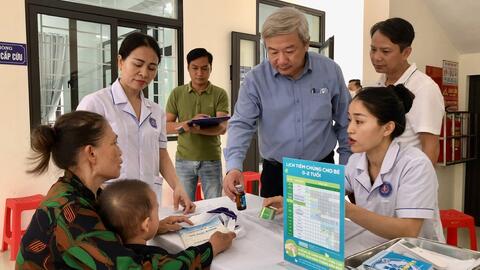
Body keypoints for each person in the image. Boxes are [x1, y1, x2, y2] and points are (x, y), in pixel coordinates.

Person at [17, 111, 216, 269]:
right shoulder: (71, 212)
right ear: (91, 153)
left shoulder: (82, 192)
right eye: (114, 143)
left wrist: (153, 226)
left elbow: (105, 236)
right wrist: (210, 248)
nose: (120, 151)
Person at [264, 85, 445, 255]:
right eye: (350, 120)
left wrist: (347, 209)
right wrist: (291, 200)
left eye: (359, 121)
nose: (349, 129)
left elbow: (408, 230)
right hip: (377, 248)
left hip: (420, 255)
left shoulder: (415, 164)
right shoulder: (357, 161)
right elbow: (324, 190)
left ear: (387, 128)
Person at [223, 7, 351, 199]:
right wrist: (233, 166)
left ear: (306, 44)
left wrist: (347, 168)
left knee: (324, 228)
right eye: (272, 52)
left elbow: (346, 123)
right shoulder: (255, 79)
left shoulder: (329, 71)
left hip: (321, 169)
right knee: (272, 228)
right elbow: (241, 124)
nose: (281, 60)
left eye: (289, 51)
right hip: (276, 175)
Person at [77, 32, 194, 213]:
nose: (144, 73)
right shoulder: (96, 103)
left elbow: (161, 154)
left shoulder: (155, 111)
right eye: (138, 64)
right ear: (120, 61)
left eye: (152, 67)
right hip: (110, 202)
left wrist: (177, 186)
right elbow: (79, 158)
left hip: (148, 199)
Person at [98, 179, 235, 269]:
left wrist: (158, 226)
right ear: (146, 225)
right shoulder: (152, 258)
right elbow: (180, 265)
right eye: (156, 211)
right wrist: (212, 246)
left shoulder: (108, 251)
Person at [370, 17, 445, 164]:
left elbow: (431, 148)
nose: (376, 57)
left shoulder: (424, 88)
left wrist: (420, 185)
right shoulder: (378, 85)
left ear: (406, 53)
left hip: (407, 180)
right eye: (373, 49)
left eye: (385, 51)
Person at [166, 48, 229, 200]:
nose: (199, 73)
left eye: (204, 68)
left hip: (211, 159)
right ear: (188, 68)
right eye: (195, 68)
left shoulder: (220, 94)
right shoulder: (177, 93)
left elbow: (222, 128)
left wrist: (197, 130)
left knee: (214, 206)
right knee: (186, 207)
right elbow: (166, 127)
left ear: (210, 68)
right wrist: (187, 124)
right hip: (184, 160)